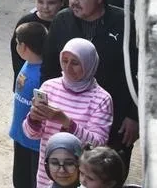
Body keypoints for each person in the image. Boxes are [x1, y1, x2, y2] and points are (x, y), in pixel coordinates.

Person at [42, 0, 138, 175]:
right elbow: (49, 67)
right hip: (69, 115)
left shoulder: (125, 21)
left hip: (115, 118)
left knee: (106, 174)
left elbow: (139, 70)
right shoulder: (62, 20)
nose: (74, 1)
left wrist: (134, 114)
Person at [24, 39, 113, 188]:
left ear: (89, 64)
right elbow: (31, 134)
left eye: (75, 63)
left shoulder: (101, 99)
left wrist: (66, 122)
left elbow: (98, 145)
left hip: (79, 177)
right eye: (65, 61)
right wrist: (34, 118)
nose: (68, 67)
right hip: (47, 174)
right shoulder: (49, 87)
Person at [11, 22, 47, 188]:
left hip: (33, 143)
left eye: (17, 42)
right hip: (21, 135)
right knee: (20, 178)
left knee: (31, 181)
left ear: (23, 46)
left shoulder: (41, 77)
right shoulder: (29, 63)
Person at [10, 0, 68, 78]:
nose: (45, 7)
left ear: (62, 2)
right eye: (40, 2)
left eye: (51, 3)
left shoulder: (67, 23)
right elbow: (16, 55)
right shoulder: (26, 22)